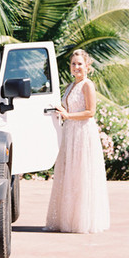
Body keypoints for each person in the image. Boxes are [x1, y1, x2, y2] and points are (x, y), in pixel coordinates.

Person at [45, 49, 110, 233]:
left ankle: (82, 221)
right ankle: (68, 219)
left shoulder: (87, 85)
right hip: (70, 133)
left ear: (87, 66)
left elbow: (90, 112)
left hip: (83, 133)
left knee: (81, 174)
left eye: (80, 63)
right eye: (74, 64)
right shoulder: (70, 86)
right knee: (70, 174)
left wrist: (68, 115)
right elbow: (67, 107)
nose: (76, 67)